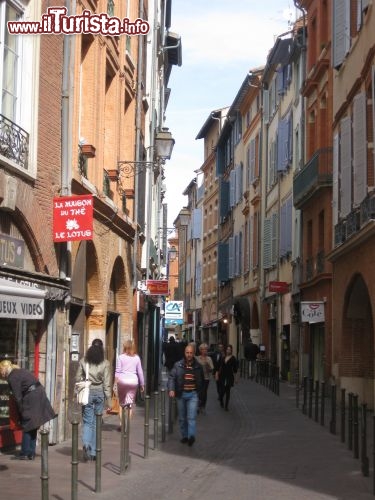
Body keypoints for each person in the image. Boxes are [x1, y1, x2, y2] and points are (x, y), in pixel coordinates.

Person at [0, 359, 57, 460]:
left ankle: (25, 453)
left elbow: (17, 396)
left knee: (27, 424)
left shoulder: (12, 377)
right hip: (38, 393)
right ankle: (31, 452)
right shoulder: (19, 371)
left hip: (32, 396)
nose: (1, 374)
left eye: (1, 371)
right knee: (33, 424)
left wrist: (21, 411)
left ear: (3, 369)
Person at [75, 338, 111, 461]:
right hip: (100, 393)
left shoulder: (83, 361)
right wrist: (109, 401)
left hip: (87, 393)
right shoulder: (105, 363)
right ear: (101, 349)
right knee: (97, 422)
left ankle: (86, 444)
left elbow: (77, 377)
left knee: (87, 421)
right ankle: (94, 452)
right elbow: (107, 383)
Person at [167, 343, 204, 446]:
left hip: (193, 395)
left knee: (191, 417)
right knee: (182, 418)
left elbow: (201, 381)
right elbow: (171, 378)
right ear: (184, 353)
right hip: (181, 394)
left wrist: (200, 395)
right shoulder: (178, 365)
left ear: (193, 354)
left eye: (191, 353)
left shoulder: (198, 366)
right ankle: (184, 436)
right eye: (187, 352)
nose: (189, 354)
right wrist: (171, 389)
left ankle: (191, 436)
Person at [114, 339, 145, 424]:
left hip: (122, 381)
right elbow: (140, 372)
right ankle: (127, 424)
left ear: (125, 347)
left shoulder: (120, 357)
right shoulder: (137, 358)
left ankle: (121, 423)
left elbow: (117, 371)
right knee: (130, 404)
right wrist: (142, 384)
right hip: (133, 382)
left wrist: (115, 382)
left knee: (121, 403)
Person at [217, 344, 238, 411]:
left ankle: (226, 406)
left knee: (228, 391)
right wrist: (217, 374)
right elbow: (220, 367)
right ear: (226, 350)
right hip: (222, 376)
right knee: (222, 391)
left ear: (231, 350)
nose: (228, 350)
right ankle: (221, 399)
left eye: (230, 349)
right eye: (227, 349)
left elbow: (235, 369)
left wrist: (236, 378)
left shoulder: (233, 358)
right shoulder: (223, 357)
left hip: (229, 376)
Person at [195, 342, 214, 414]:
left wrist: (208, 366)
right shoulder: (197, 358)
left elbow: (212, 369)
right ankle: (198, 406)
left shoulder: (209, 359)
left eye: (206, 349)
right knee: (199, 392)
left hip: (206, 378)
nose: (204, 351)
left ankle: (202, 406)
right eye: (203, 349)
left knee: (204, 393)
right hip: (198, 378)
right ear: (200, 350)